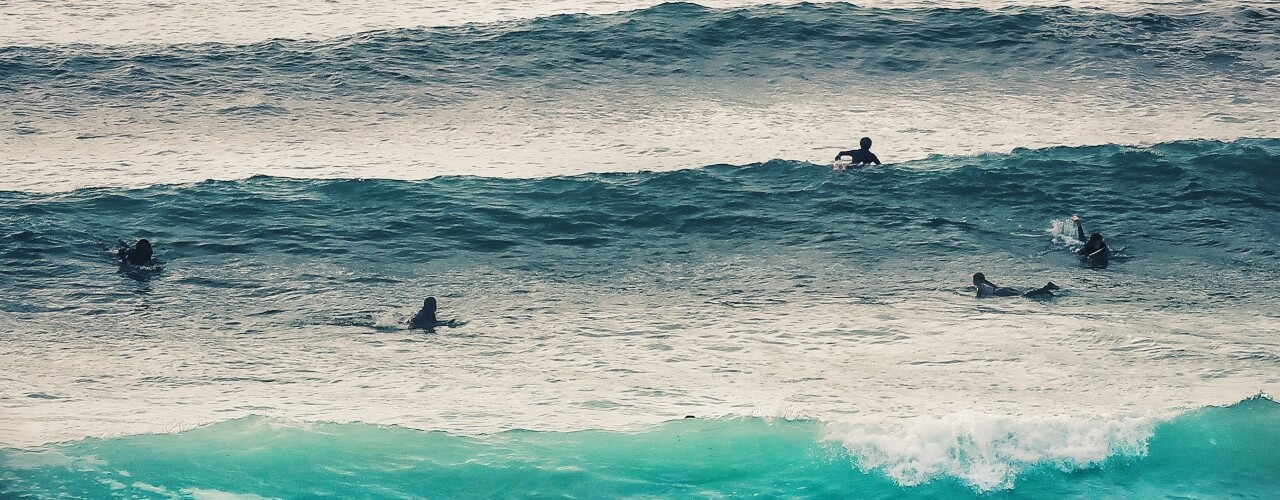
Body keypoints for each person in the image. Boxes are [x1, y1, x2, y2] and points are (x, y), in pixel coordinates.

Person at [973, 273, 1059, 298]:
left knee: (1024, 296)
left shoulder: (979, 284)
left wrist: (977, 298)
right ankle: (1046, 288)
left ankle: (1046, 288)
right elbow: (995, 287)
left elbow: (979, 290)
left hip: (999, 292)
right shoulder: (986, 282)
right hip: (1002, 289)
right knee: (1023, 294)